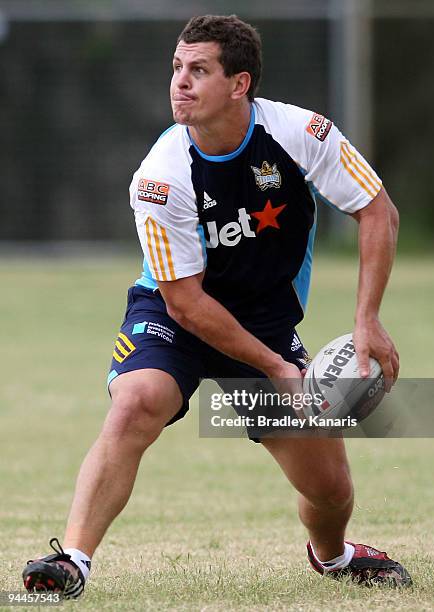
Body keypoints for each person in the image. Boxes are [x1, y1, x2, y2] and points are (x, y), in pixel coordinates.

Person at [23, 14, 411, 598]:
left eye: (198, 70)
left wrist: (366, 320)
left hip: (265, 321)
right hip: (173, 314)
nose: (180, 81)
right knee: (136, 401)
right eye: (177, 68)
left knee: (330, 488)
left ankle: (334, 558)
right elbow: (185, 303)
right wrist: (280, 371)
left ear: (239, 84)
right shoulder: (161, 176)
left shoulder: (301, 133)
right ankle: (73, 561)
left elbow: (376, 210)